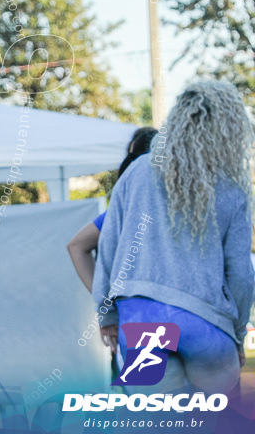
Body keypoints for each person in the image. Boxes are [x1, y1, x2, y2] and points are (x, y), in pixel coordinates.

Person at [94, 81, 255, 394]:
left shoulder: (137, 173)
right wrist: (236, 334)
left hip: (142, 320)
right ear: (229, 130)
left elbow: (108, 247)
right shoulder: (232, 190)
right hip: (208, 324)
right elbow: (241, 274)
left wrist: (107, 313)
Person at [67, 127, 158, 294]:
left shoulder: (122, 213)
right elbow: (76, 246)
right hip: (151, 312)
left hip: (130, 311)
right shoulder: (126, 212)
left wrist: (102, 297)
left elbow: (76, 246)